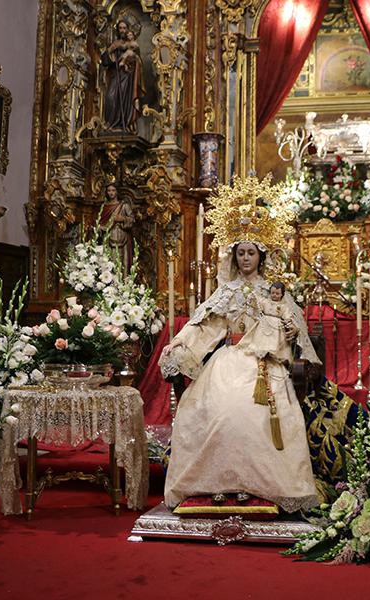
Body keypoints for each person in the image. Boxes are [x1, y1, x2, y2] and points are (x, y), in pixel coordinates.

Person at [159, 184, 321, 512]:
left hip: (266, 365)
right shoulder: (226, 292)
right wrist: (179, 343)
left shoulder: (274, 293)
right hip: (228, 361)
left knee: (252, 411)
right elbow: (204, 327)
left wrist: (289, 332)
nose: (245, 258)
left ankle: (263, 484)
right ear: (233, 256)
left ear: (262, 256)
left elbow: (295, 331)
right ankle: (216, 481)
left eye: (251, 253)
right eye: (240, 253)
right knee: (215, 407)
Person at [101, 20, 146, 132]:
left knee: (124, 100)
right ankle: (111, 123)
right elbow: (105, 61)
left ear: (128, 30)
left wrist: (131, 61)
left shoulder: (132, 44)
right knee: (110, 97)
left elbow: (138, 61)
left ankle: (122, 125)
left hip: (127, 77)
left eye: (124, 28)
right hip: (115, 76)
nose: (122, 30)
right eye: (120, 28)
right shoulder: (115, 44)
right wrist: (111, 49)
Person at [98, 183, 135, 271]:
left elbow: (132, 220)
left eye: (113, 190)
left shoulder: (124, 206)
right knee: (110, 259)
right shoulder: (104, 207)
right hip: (108, 237)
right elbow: (101, 222)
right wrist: (100, 228)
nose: (111, 193)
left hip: (122, 236)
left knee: (122, 260)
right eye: (109, 190)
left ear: (117, 192)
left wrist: (122, 218)